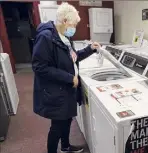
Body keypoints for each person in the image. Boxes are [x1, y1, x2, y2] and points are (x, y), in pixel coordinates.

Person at [32, 2, 101, 153]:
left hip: (67, 89)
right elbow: (39, 67)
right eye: (74, 24)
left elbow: (73, 58)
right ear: (64, 21)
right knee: (57, 126)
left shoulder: (64, 36)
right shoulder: (46, 37)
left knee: (67, 119)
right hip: (56, 91)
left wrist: (90, 49)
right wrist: (69, 77)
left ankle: (65, 146)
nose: (74, 28)